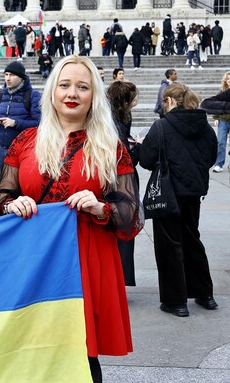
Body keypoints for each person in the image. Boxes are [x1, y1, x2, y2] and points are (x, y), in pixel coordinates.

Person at [0, 55, 143, 382]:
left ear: (94, 95)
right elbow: (1, 194)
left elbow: (132, 216)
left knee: (81, 356)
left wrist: (100, 207)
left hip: (86, 259)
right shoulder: (26, 141)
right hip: (32, 258)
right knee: (29, 351)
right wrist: (12, 204)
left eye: (82, 86)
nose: (71, 93)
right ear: (52, 92)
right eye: (64, 85)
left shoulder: (109, 146)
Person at [139, 83, 217, 317]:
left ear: (171, 101)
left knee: (169, 245)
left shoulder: (162, 126)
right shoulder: (205, 127)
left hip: (168, 192)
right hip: (193, 192)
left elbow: (145, 160)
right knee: (192, 239)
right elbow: (211, 157)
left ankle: (176, 301)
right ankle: (205, 295)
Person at [107, 81, 140, 287]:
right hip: (118, 181)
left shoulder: (121, 118)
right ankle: (117, 277)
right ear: (125, 100)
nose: (136, 102)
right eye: (133, 98)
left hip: (120, 179)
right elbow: (122, 156)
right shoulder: (114, 122)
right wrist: (135, 148)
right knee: (122, 226)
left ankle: (118, 277)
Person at [0, 61, 42, 171]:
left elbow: (38, 123)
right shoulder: (0, 95)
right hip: (3, 149)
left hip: (24, 149)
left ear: (21, 77)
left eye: (12, 75)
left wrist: (15, 123)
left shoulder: (33, 95)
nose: (8, 78)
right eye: (6, 74)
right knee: (4, 183)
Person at [211, 71, 230, 173]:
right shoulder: (222, 92)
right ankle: (219, 164)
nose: (229, 81)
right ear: (225, 81)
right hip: (223, 120)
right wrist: (216, 118)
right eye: (228, 79)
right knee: (221, 142)